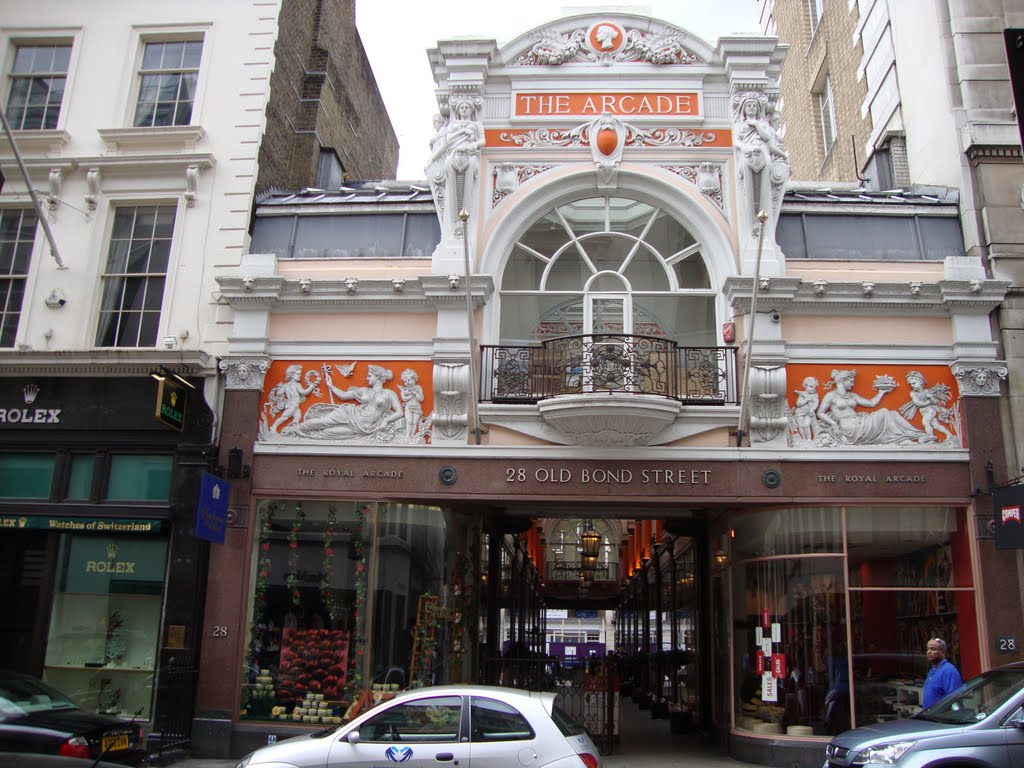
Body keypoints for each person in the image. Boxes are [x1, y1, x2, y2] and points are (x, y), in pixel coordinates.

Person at [288, 364, 403, 439]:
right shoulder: (364, 390)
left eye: (370, 376)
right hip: (349, 413)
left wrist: (386, 420)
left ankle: (303, 434)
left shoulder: (389, 394)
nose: (367, 378)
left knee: (328, 433)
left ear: (377, 377)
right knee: (324, 421)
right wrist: (331, 386)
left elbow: (399, 412)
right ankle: (295, 429)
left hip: (364, 427)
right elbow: (343, 395)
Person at [816, 369, 926, 445]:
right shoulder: (831, 395)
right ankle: (903, 438)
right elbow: (820, 412)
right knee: (884, 412)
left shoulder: (852, 395)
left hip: (859, 421)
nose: (853, 384)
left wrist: (881, 392)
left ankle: (914, 436)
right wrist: (834, 424)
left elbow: (871, 403)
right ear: (842, 381)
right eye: (851, 381)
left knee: (893, 413)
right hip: (849, 427)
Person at [900, 370, 954, 442]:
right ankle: (949, 434)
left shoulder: (927, 392)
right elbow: (917, 403)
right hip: (924, 411)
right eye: (910, 384)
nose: (912, 385)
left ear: (921, 382)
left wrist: (930, 397)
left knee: (925, 422)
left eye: (914, 383)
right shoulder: (913, 393)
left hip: (930, 411)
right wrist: (927, 402)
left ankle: (930, 436)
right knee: (936, 425)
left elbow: (935, 402)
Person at [268, 364, 316, 433]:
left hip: (293, 404)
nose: (300, 375)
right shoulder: (297, 384)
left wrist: (276, 389)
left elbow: (279, 393)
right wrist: (311, 387)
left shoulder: (285, 385)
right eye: (298, 374)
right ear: (291, 375)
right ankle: (273, 427)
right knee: (285, 417)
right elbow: (303, 392)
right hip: (293, 404)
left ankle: (292, 428)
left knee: (297, 417)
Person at [922, 637, 962, 707]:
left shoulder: (949, 671)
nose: (929, 652)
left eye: (933, 649)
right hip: (929, 715)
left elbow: (954, 699)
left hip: (942, 716)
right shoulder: (932, 670)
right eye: (927, 649)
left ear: (942, 652)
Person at [398, 368, 424, 441]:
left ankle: (412, 435)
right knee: (409, 421)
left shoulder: (418, 388)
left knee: (414, 422)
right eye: (405, 381)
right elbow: (404, 399)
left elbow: (421, 398)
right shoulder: (404, 389)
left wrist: (415, 393)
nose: (407, 382)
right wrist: (410, 394)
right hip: (408, 406)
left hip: (417, 407)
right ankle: (407, 435)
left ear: (414, 379)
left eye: (409, 380)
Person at [792, 376, 820, 441]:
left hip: (808, 413)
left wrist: (812, 409)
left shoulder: (815, 395)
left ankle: (809, 439)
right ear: (805, 386)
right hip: (800, 413)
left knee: (806, 424)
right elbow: (798, 404)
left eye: (814, 387)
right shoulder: (802, 394)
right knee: (801, 425)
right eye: (811, 386)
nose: (813, 389)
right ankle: (804, 439)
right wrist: (806, 399)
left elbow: (816, 403)